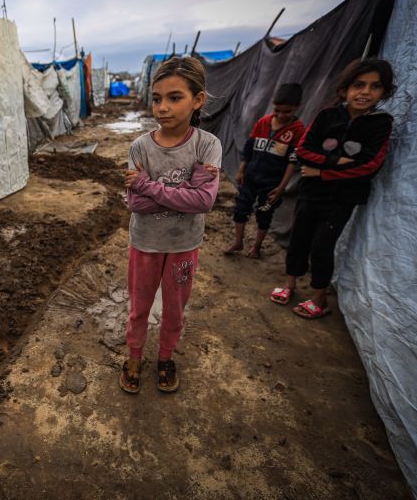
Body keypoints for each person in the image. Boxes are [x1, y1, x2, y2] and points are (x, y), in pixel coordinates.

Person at [120, 57, 222, 393]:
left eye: (174, 97)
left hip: (183, 246)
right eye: (157, 98)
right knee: (139, 308)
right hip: (145, 243)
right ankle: (134, 357)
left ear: (198, 100)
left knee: (175, 309)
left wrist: (147, 185)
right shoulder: (140, 147)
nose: (162, 107)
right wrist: (185, 191)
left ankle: (165, 358)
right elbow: (134, 204)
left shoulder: (207, 145)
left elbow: (203, 201)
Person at [270, 58, 396, 318]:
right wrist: (337, 162)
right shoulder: (327, 115)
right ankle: (290, 284)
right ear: (345, 89)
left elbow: (369, 166)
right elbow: (303, 150)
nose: (365, 92)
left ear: (383, 92)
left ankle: (319, 298)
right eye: (358, 85)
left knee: (322, 245)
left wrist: (322, 172)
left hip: (343, 198)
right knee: (299, 238)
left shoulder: (381, 123)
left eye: (374, 86)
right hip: (311, 192)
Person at [224, 83, 306, 258]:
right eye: (277, 110)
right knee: (241, 209)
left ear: (297, 107)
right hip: (250, 177)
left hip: (272, 183)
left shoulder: (298, 130)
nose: (281, 115)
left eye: (287, 111)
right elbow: (249, 148)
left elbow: (292, 162)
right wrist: (241, 170)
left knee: (264, 213)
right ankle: (238, 242)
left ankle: (256, 248)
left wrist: (281, 187)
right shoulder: (263, 122)